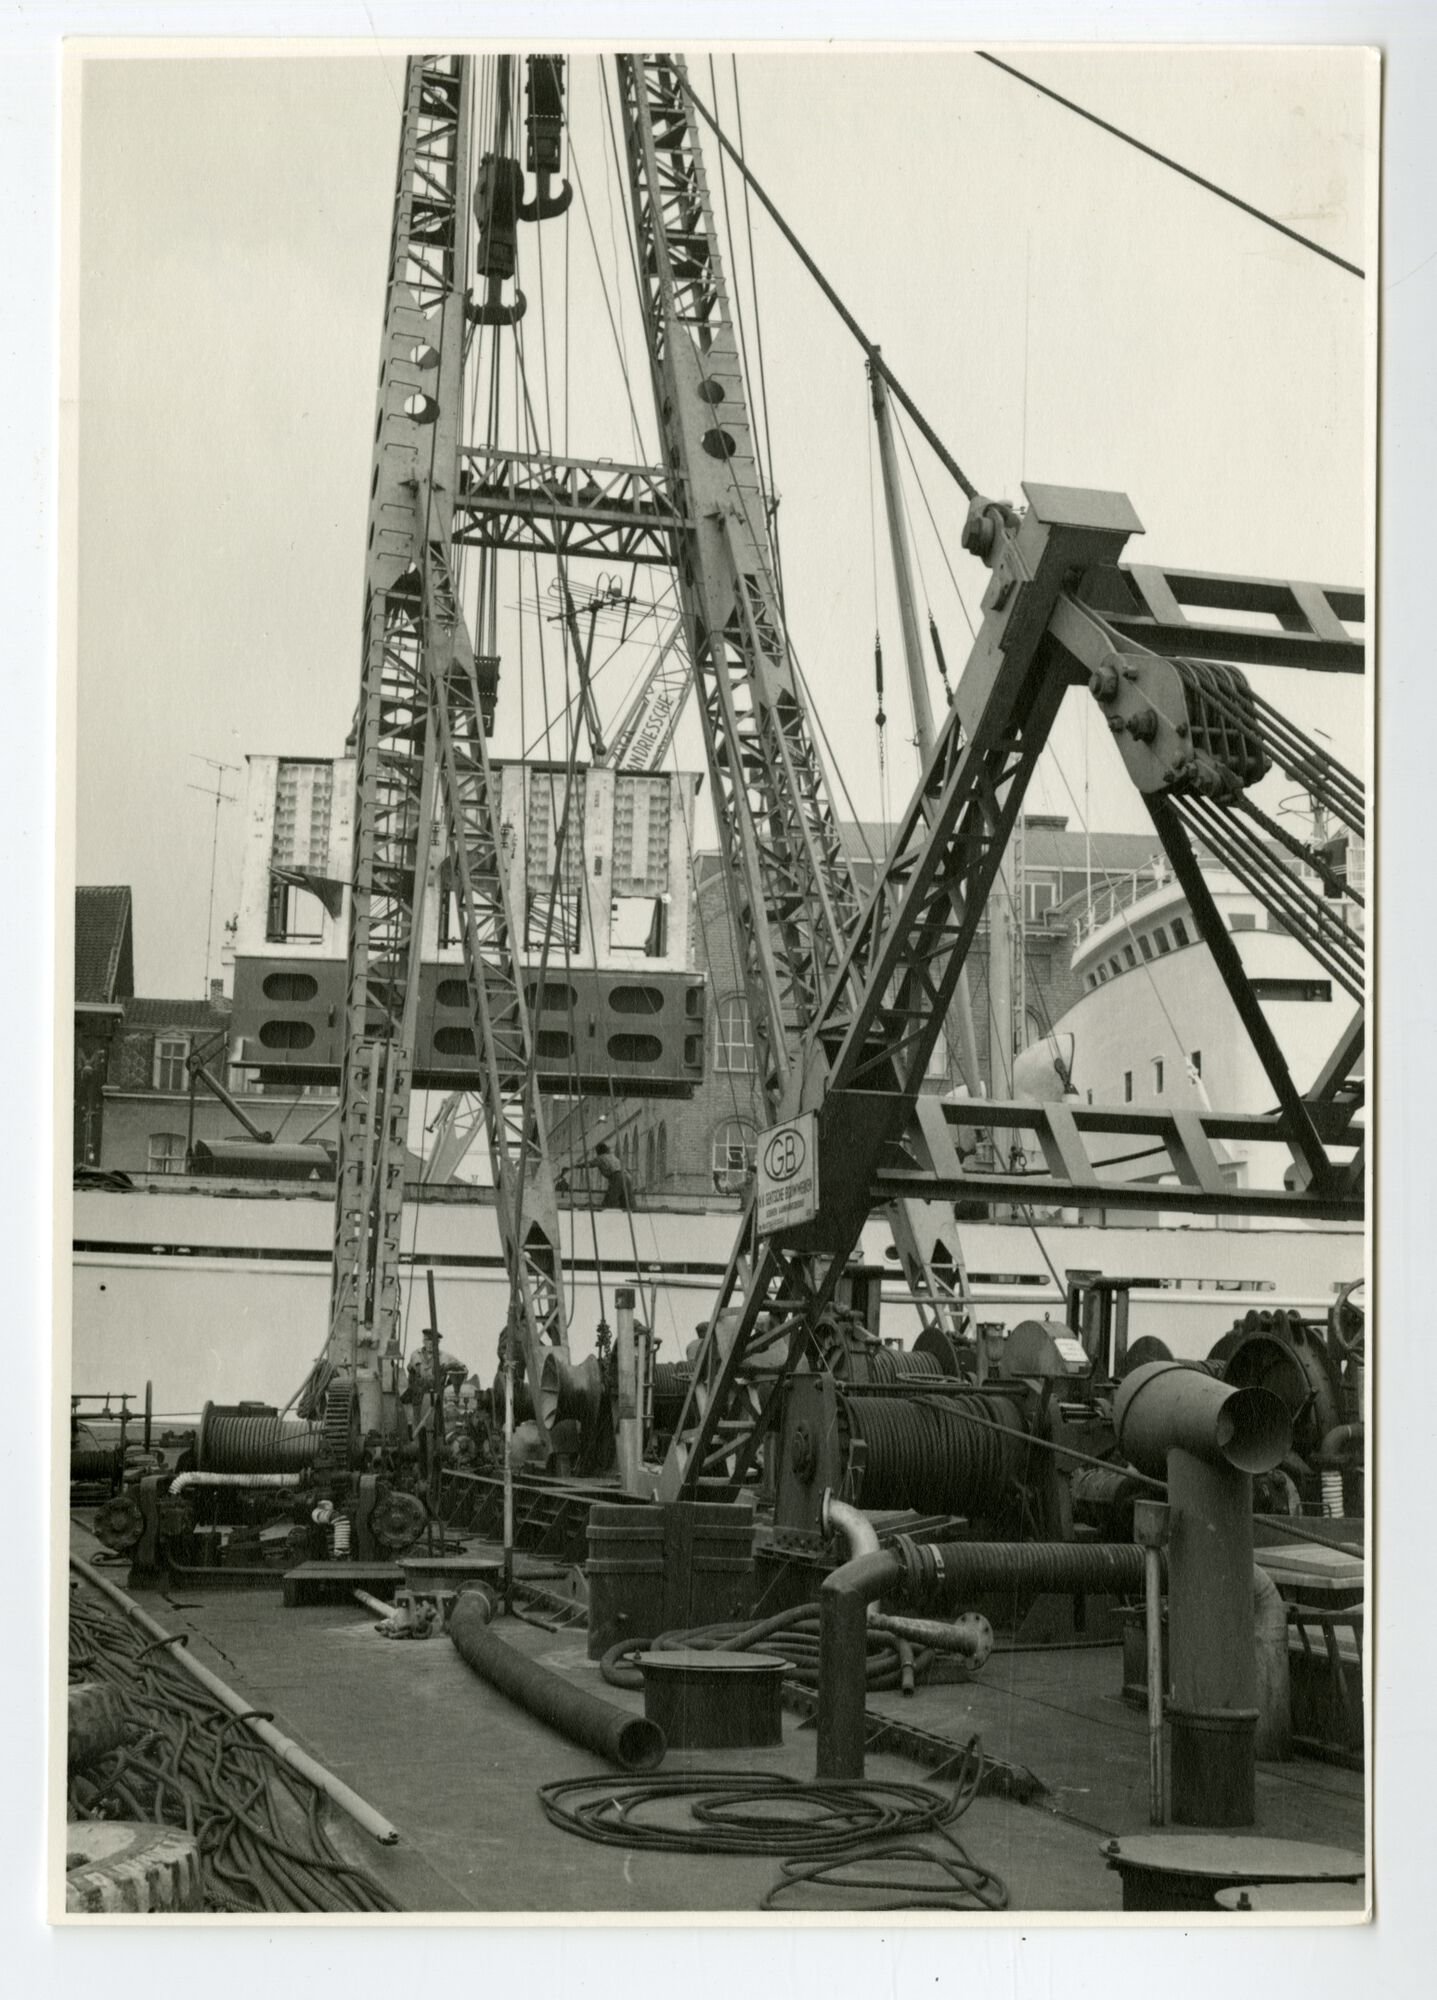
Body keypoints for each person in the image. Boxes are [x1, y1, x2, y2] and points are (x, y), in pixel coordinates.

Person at [591, 1139, 633, 1211]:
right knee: (626, 1203)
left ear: (599, 1151)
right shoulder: (613, 1157)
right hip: (627, 1177)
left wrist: (575, 1166)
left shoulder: (601, 1157)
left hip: (618, 1177)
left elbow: (589, 1164)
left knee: (609, 1203)